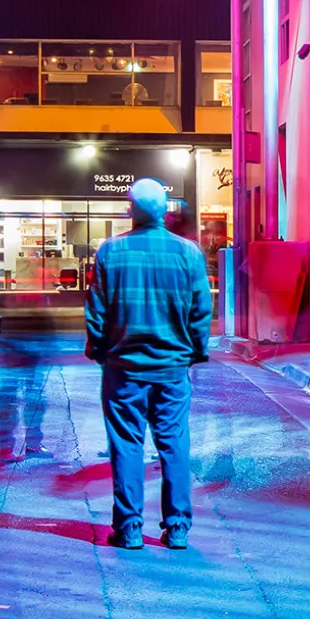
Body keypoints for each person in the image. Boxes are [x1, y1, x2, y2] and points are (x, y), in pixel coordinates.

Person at [84, 176, 212, 550]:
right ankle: (177, 528)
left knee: (126, 444)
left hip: (124, 368)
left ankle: (130, 527)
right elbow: (200, 311)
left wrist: (99, 350)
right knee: (174, 444)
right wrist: (194, 353)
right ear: (164, 210)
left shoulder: (110, 252)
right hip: (172, 367)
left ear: (131, 210)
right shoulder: (189, 254)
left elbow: (97, 311)